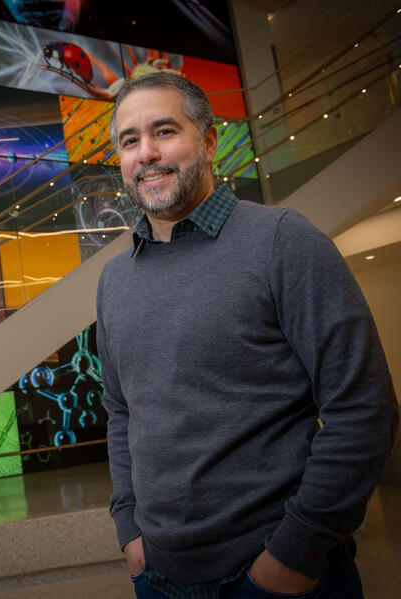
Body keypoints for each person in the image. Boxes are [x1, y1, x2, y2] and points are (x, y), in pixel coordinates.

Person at [96, 72, 398, 599]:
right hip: (158, 574)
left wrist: (294, 556)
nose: (146, 153)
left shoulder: (284, 241)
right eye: (129, 140)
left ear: (209, 141)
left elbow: (364, 408)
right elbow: (121, 413)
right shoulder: (114, 279)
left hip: (275, 576)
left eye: (165, 131)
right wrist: (130, 530)